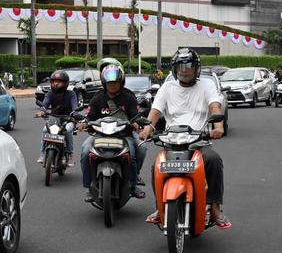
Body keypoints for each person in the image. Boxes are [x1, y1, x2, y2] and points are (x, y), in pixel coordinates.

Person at [139, 47, 231, 229]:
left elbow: (214, 106)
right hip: (172, 142)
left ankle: (214, 206)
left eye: (189, 65)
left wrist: (218, 126)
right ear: (175, 68)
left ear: (196, 68)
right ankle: (160, 207)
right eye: (181, 65)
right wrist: (147, 128)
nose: (185, 69)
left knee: (213, 160)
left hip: (198, 141)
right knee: (156, 167)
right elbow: (155, 111)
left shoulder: (207, 85)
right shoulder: (167, 87)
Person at [80, 59, 147, 201]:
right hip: (99, 135)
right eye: (110, 83)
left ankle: (133, 184)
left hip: (124, 135)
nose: (113, 85)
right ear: (104, 83)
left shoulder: (128, 97)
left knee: (139, 150)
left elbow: (135, 114)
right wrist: (83, 123)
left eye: (115, 82)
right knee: (86, 151)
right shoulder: (97, 98)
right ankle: (89, 186)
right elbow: (89, 116)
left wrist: (136, 122)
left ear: (121, 82)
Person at [34, 69, 78, 165]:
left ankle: (70, 154)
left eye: (59, 82)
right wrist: (41, 111)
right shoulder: (50, 94)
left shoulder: (71, 94)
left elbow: (75, 107)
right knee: (45, 130)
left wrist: (75, 114)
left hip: (68, 119)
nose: (56, 84)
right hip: (54, 119)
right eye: (54, 81)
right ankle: (42, 154)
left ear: (65, 83)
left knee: (67, 131)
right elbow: (44, 105)